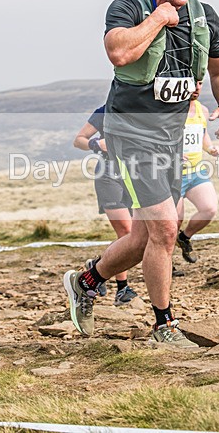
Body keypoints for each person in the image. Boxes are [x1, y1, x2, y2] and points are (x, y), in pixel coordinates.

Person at [63, 0, 219, 347]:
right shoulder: (128, 7)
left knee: (144, 237)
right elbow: (119, 53)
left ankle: (86, 281)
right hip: (130, 133)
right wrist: (159, 18)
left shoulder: (204, 16)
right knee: (164, 230)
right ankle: (164, 326)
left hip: (171, 138)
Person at [73, 105, 138, 306]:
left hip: (137, 174)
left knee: (138, 235)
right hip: (109, 175)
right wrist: (96, 144)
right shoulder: (105, 111)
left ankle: (98, 266)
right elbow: (79, 140)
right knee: (126, 232)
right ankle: (122, 289)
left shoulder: (144, 108)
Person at [176, 80, 219, 264]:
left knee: (209, 209)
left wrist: (210, 148)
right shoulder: (171, 111)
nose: (196, 88)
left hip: (195, 171)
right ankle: (165, 263)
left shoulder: (202, 110)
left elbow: (201, 133)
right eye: (192, 83)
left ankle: (184, 238)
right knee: (173, 222)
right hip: (173, 175)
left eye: (200, 83)